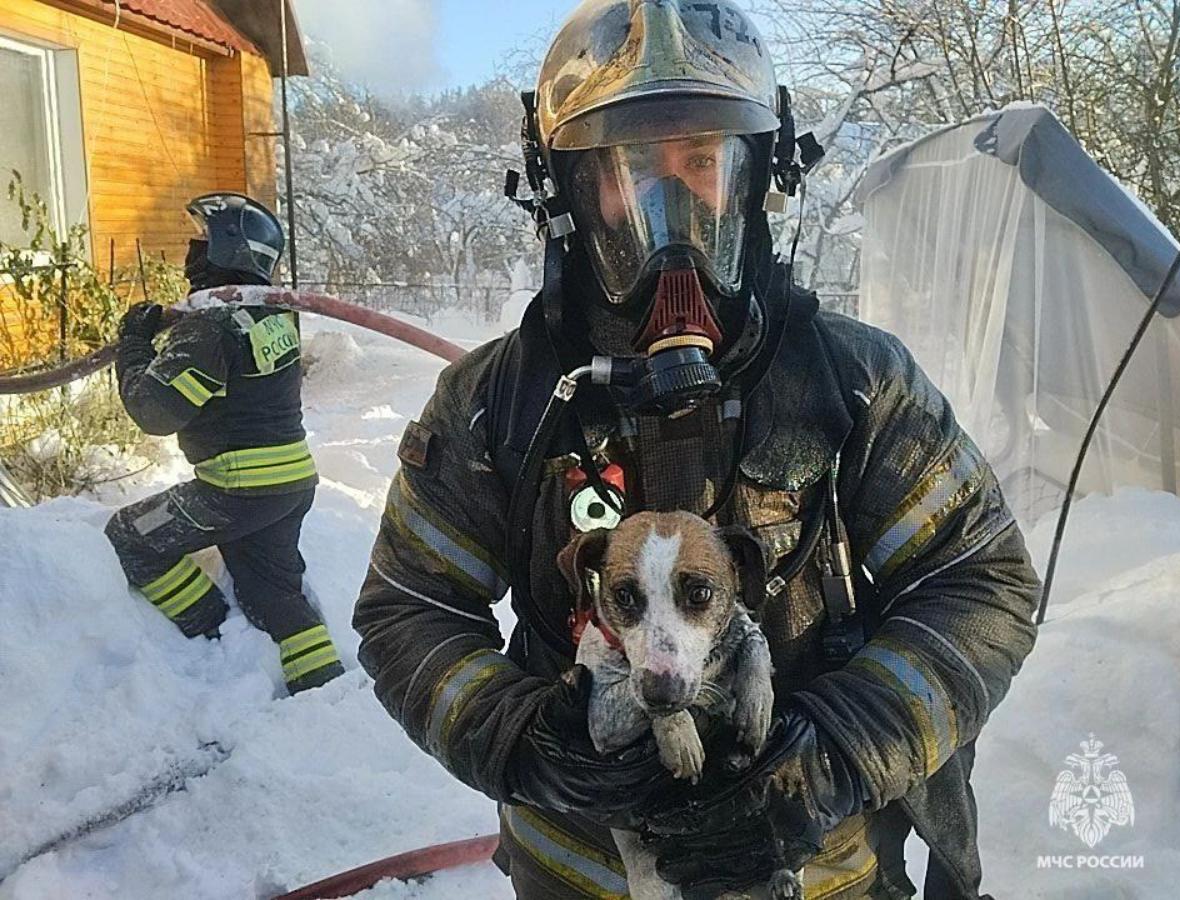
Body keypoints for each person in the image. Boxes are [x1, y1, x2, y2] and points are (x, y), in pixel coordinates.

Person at [354, 1, 1040, 897]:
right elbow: (408, 608)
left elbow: (981, 583)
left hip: (818, 871)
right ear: (568, 193)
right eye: (629, 170)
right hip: (577, 875)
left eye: (703, 162)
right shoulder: (499, 403)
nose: (669, 216)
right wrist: (524, 739)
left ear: (758, 179)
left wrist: (830, 754)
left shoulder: (856, 385)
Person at [106, 193, 343, 696]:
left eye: (202, 240)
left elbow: (154, 412)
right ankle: (324, 692)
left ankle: (213, 630)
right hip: (290, 483)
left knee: (131, 537)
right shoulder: (276, 314)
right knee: (271, 589)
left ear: (227, 249)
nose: (192, 251)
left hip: (235, 490)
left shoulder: (209, 328)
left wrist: (132, 346)